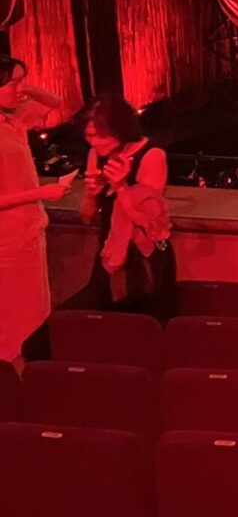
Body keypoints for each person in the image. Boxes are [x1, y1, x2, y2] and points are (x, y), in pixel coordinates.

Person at [0, 57, 74, 371]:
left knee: (38, 311)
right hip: (9, 240)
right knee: (17, 317)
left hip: (29, 232)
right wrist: (41, 193)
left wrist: (22, 87)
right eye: (13, 83)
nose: (21, 89)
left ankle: (32, 376)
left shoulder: (12, 119)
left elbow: (53, 101)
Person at [79, 95, 174, 318]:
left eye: (100, 136)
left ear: (120, 130)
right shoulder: (96, 154)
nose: (94, 143)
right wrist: (92, 194)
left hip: (143, 255)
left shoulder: (151, 155)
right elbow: (86, 216)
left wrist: (121, 186)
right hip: (110, 252)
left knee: (144, 322)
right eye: (89, 136)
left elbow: (147, 223)